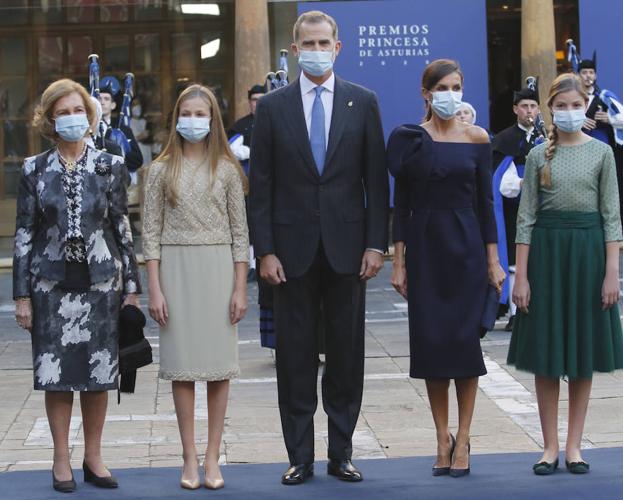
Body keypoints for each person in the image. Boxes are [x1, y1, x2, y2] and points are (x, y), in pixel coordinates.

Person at [249, 10, 389, 485]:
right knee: (295, 356)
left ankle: (342, 453)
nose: (314, 50)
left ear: (338, 47)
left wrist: (376, 244)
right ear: (293, 50)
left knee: (347, 356)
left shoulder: (363, 102)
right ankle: (300, 457)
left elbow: (375, 180)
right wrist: (264, 250)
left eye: (322, 42)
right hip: (289, 254)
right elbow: (261, 187)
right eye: (306, 43)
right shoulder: (270, 108)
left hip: (349, 250)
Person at [13, 78, 141, 493]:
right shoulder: (34, 169)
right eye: (63, 111)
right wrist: (21, 295)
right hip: (49, 286)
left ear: (90, 117)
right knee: (58, 377)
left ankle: (94, 457)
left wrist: (132, 287)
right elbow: (24, 235)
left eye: (79, 110)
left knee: (99, 374)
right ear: (51, 119)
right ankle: (61, 459)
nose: (72, 117)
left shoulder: (111, 165)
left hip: (102, 285)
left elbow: (122, 227)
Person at [388, 59, 505, 478]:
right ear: (426, 93)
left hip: (467, 249)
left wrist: (494, 261)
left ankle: (465, 435)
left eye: (456, 86)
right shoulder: (411, 140)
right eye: (442, 87)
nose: (450, 94)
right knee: (432, 347)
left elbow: (486, 205)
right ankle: (441, 436)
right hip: (424, 248)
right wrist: (398, 261)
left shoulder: (477, 138)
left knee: (463, 348)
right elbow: (401, 205)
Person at [508, 73, 623, 475]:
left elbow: (612, 216)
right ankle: (549, 446)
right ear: (550, 109)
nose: (571, 112)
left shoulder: (602, 152)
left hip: (589, 255)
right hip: (547, 254)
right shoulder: (540, 154)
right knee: (546, 353)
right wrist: (520, 277)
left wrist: (613, 273)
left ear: (584, 108)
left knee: (581, 354)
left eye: (577, 106)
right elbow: (525, 218)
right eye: (563, 106)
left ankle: (574, 445)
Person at [142, 84, 249, 490]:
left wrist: (240, 288)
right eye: (186, 113)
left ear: (213, 120)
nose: (193, 120)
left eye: (201, 114)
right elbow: (149, 233)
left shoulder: (227, 169)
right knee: (182, 370)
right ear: (176, 119)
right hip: (175, 271)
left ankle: (212, 458)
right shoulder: (158, 170)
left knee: (219, 370)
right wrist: (154, 287)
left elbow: (241, 235)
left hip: (219, 270)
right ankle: (188, 458)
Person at [491, 85, 543, 331]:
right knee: (514, 259)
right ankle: (515, 312)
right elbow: (500, 179)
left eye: (533, 106)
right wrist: (523, 183)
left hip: (544, 206)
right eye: (524, 106)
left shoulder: (547, 137)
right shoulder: (504, 140)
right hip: (515, 206)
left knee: (540, 257)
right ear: (515, 109)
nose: (529, 110)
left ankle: (540, 308)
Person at [578, 53, 623, 222]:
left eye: (591, 72)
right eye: (584, 72)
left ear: (595, 75)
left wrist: (610, 119)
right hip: (578, 153)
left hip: (604, 154)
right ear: (578, 75)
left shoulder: (605, 97)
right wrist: (578, 120)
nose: (588, 76)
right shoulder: (572, 98)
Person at [97, 76, 143, 174]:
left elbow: (138, 160)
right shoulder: (90, 129)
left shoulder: (123, 129)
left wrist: (122, 150)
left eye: (106, 99)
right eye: (99, 98)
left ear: (113, 105)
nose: (102, 102)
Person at [129, 97, 153, 167]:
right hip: (136, 157)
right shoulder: (128, 122)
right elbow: (127, 142)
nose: (137, 107)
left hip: (147, 154)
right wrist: (139, 137)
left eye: (138, 104)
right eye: (134, 104)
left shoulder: (145, 122)